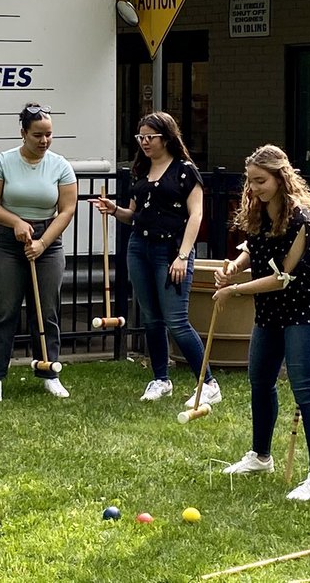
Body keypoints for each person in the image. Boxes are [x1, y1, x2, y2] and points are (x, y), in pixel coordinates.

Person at [213, 144, 310, 501]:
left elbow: (281, 275)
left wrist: (234, 290)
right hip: (272, 306)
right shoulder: (261, 210)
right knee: (260, 380)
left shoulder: (301, 219)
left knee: (306, 389)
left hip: (305, 305)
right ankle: (260, 456)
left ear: (281, 178)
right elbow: (256, 249)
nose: (254, 188)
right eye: (250, 181)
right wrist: (236, 265)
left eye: (260, 181)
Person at [94, 111, 219, 406]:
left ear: (167, 137)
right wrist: (114, 209)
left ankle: (209, 383)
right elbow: (134, 214)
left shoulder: (186, 171)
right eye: (141, 137)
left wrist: (183, 256)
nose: (145, 142)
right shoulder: (141, 171)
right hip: (139, 247)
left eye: (151, 137)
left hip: (171, 251)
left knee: (176, 321)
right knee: (151, 318)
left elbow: (196, 215)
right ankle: (161, 379)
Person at [0, 103, 78, 400]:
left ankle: (49, 372)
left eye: (49, 135)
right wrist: (16, 222)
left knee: (46, 310)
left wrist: (43, 242)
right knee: (4, 308)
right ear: (23, 133)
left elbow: (67, 209)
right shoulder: (3, 162)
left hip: (48, 244)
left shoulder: (60, 165)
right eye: (37, 135)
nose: (44, 141)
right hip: (8, 245)